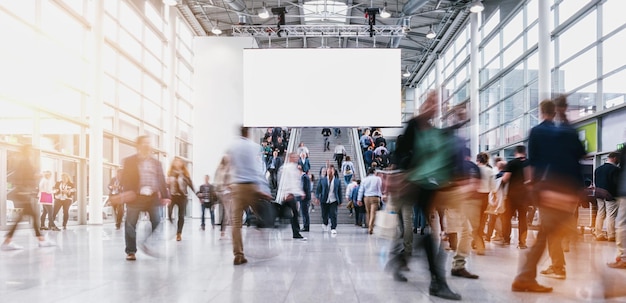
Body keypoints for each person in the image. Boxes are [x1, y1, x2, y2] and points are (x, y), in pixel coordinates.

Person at [384, 90, 462, 300]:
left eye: (437, 103)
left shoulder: (435, 131)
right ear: (424, 103)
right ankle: (437, 281)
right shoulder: (415, 125)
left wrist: (460, 121)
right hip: (412, 185)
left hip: (430, 186)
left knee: (429, 234)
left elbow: (447, 143)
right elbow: (401, 152)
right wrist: (398, 175)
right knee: (421, 233)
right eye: (430, 101)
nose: (433, 106)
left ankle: (402, 260)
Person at [511, 99, 586, 292]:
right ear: (560, 111)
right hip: (565, 191)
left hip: (547, 190)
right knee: (558, 234)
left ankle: (529, 276)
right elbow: (581, 154)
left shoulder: (537, 131)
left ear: (541, 111)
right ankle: (532, 275)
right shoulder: (568, 131)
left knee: (549, 234)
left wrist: (532, 188)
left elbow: (533, 164)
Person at [118, 135, 171, 261]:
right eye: (144, 143)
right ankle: (131, 251)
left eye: (149, 143)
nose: (147, 145)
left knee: (157, 221)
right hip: (135, 197)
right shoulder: (129, 161)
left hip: (152, 197)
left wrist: (165, 196)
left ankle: (147, 244)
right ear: (138, 146)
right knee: (130, 224)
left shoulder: (156, 163)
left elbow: (161, 180)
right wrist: (128, 192)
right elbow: (125, 179)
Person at [227, 126, 273, 265]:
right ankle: (264, 247)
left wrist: (229, 183)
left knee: (236, 223)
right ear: (248, 133)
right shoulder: (254, 147)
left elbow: (230, 166)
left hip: (237, 187)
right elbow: (256, 169)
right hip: (251, 186)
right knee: (263, 215)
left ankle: (238, 255)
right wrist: (262, 190)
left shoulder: (232, 147)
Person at [1, 144, 55, 250]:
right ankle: (40, 240)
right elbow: (23, 177)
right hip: (23, 193)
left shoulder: (22, 161)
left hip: (23, 192)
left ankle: (9, 240)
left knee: (27, 216)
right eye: (30, 150)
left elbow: (21, 177)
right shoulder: (25, 162)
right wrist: (35, 178)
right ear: (28, 151)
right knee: (33, 216)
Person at [501, 145, 530, 249]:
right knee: (523, 219)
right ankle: (522, 243)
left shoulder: (512, 163)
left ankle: (506, 240)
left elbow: (505, 178)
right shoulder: (529, 163)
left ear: (515, 152)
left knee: (507, 218)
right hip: (525, 196)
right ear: (524, 152)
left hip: (512, 196)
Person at [167, 157, 195, 241]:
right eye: (176, 161)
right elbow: (167, 185)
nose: (178, 163)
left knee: (181, 216)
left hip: (182, 197)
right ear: (173, 163)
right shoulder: (170, 173)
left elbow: (191, 185)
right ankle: (173, 226)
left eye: (179, 161)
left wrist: (198, 194)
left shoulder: (185, 174)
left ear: (182, 163)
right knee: (169, 213)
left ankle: (179, 233)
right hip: (172, 196)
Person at [594, 152, 620, 241]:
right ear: (615, 158)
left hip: (599, 194)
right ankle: (611, 235)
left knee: (600, 213)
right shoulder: (615, 170)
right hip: (610, 195)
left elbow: (596, 182)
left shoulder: (598, 169)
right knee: (611, 215)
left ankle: (598, 234)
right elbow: (616, 184)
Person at [280, 152, 306, 240]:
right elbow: (285, 181)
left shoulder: (294, 168)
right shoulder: (286, 168)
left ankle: (296, 232)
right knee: (294, 214)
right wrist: (286, 193)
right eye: (294, 157)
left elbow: (296, 182)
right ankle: (296, 233)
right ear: (290, 158)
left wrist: (301, 192)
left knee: (292, 214)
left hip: (291, 194)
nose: (296, 158)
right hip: (289, 194)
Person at [316, 165, 342, 235]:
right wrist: (317, 197)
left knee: (333, 214)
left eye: (332, 171)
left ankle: (333, 228)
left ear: (334, 172)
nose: (330, 172)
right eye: (328, 170)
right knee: (324, 214)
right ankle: (325, 223)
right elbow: (318, 190)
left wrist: (340, 201)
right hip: (324, 200)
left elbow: (339, 191)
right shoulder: (322, 180)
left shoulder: (337, 181)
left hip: (333, 200)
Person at [357, 167, 383, 235]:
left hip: (366, 197)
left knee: (368, 213)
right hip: (375, 197)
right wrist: (381, 197)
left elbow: (361, 190)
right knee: (373, 213)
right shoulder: (378, 179)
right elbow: (380, 188)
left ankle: (369, 226)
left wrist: (359, 199)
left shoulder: (364, 179)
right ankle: (371, 228)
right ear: (374, 172)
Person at [213, 155, 232, 239]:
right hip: (225, 192)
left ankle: (223, 232)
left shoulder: (219, 169)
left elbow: (216, 181)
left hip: (221, 192)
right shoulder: (227, 169)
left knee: (225, 212)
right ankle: (224, 232)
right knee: (227, 213)